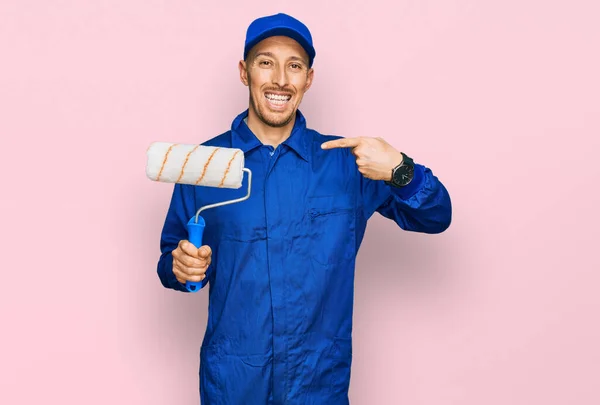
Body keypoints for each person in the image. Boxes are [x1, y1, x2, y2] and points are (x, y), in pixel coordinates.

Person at [156, 12, 452, 404]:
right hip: (233, 385)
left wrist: (400, 169)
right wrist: (179, 267)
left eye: (294, 66)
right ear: (244, 73)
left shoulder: (347, 164)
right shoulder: (204, 165)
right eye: (266, 62)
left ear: (308, 79)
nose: (280, 78)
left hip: (318, 386)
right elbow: (171, 261)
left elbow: (437, 216)